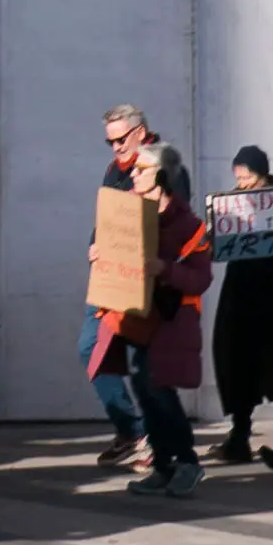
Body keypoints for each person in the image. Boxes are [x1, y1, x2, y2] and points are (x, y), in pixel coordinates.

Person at [81, 110, 211, 493]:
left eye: (141, 171)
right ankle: (164, 466)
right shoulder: (135, 217)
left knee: (159, 389)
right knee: (145, 387)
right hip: (138, 319)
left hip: (171, 321)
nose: (132, 174)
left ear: (163, 177)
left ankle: (186, 461)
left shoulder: (188, 225)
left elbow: (201, 277)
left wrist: (164, 269)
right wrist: (100, 254)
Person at [209, 148, 273, 470]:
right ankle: (239, 434)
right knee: (236, 362)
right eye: (239, 177)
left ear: (262, 173)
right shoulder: (232, 204)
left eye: (248, 176)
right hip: (239, 291)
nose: (243, 183)